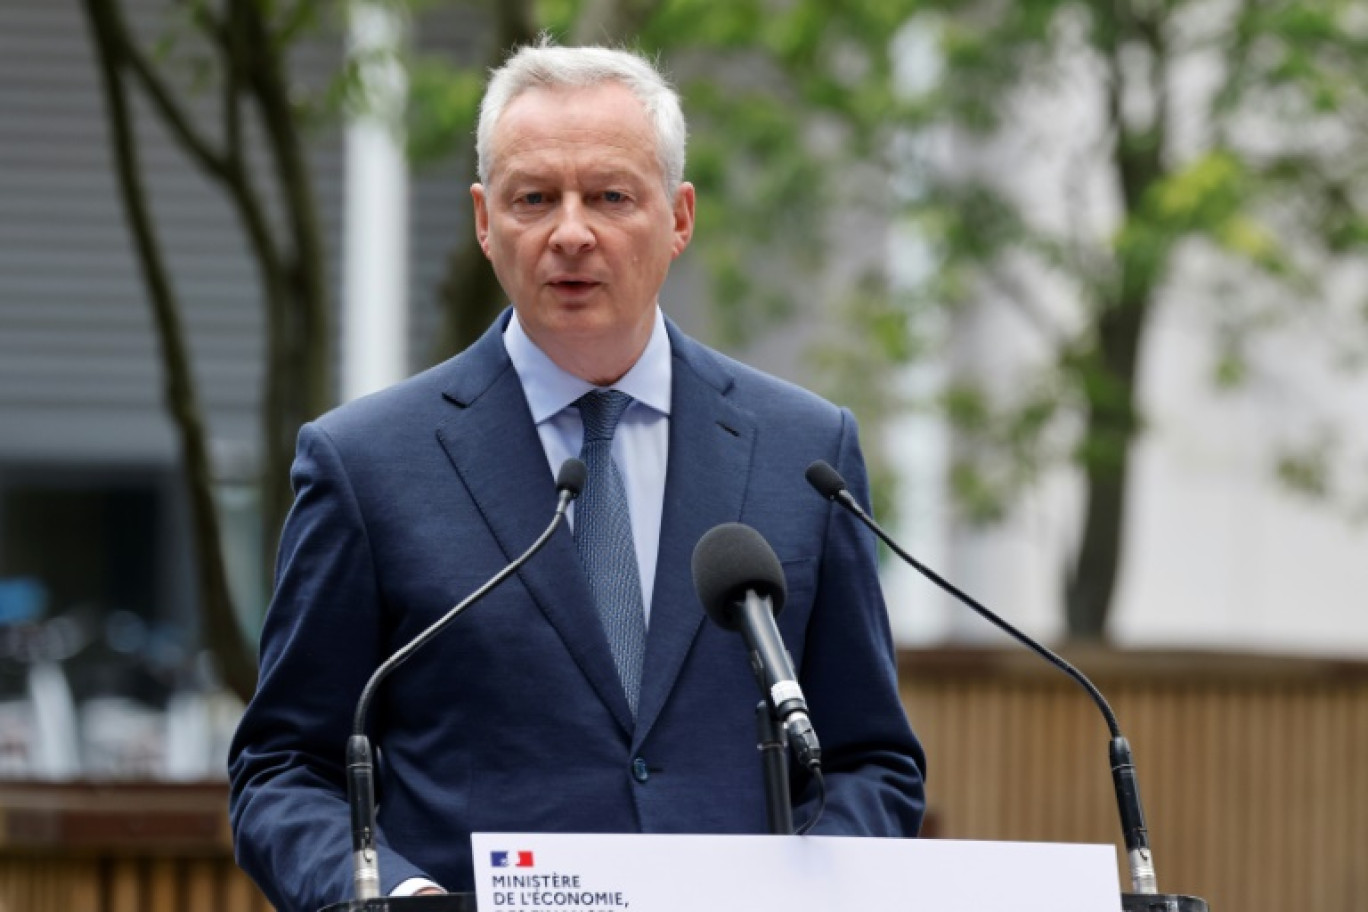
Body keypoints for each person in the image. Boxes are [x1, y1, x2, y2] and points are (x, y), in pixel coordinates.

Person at [228, 39, 925, 912]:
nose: (569, 231)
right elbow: (282, 769)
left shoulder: (803, 453)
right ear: (485, 221)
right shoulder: (367, 465)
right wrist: (390, 894)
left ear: (678, 217)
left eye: (610, 196)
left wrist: (809, 891)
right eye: (533, 198)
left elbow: (872, 760)